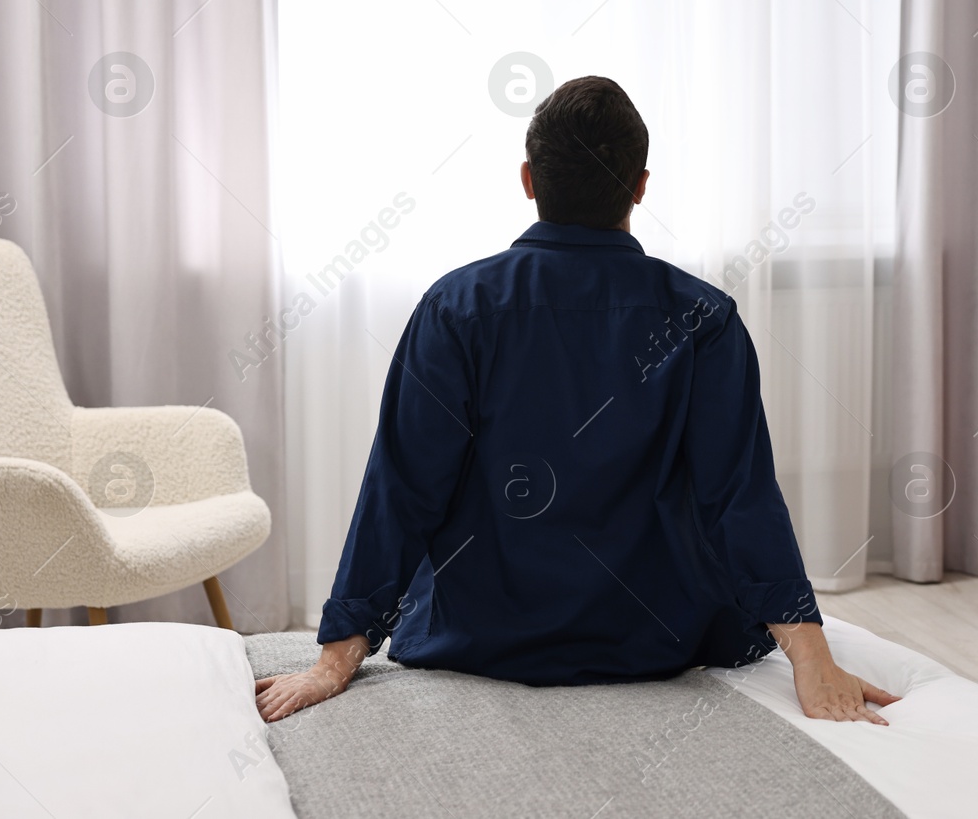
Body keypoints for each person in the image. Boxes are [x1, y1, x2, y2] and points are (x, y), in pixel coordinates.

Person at [255, 76, 898, 726]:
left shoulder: (455, 308)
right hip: (656, 637)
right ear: (641, 185)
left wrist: (335, 658)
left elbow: (403, 488)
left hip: (480, 637)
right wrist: (811, 657)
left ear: (528, 179)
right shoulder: (704, 317)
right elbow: (740, 495)